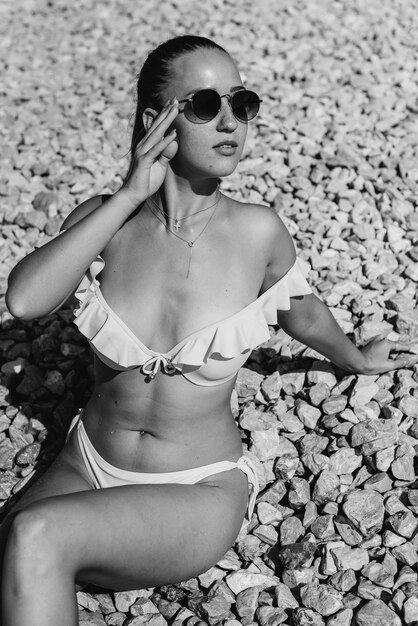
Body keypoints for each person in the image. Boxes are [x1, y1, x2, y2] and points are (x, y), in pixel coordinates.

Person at [2, 34, 417, 626]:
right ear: (156, 119)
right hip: (84, 462)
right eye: (204, 104)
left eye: (241, 103)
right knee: (18, 547)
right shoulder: (106, 222)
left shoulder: (257, 233)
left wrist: (353, 357)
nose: (231, 121)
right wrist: (127, 196)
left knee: (36, 536)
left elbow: (298, 309)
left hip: (194, 489)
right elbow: (24, 299)